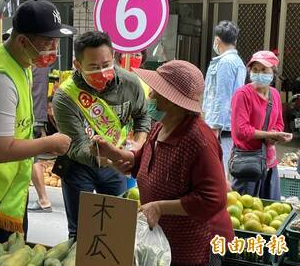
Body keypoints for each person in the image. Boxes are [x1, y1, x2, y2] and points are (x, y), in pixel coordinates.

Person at [0, 0, 75, 257]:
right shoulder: (0, 80)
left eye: (56, 39)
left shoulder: (20, 62)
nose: (54, 47)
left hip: (7, 190)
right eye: (47, 41)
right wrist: (50, 144)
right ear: (22, 41)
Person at [93, 60, 234, 265]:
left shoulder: (198, 139)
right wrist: (112, 154)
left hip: (195, 247)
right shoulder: (161, 127)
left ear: (172, 100)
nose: (149, 96)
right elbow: (140, 161)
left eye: (155, 92)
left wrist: (160, 207)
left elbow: (213, 199)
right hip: (166, 242)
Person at [52, 31, 151, 239]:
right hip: (78, 167)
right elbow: (77, 147)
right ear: (77, 65)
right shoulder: (65, 97)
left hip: (116, 165)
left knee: (117, 228)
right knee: (81, 232)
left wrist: (135, 149)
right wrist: (113, 159)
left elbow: (143, 117)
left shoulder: (130, 84)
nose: (103, 71)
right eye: (94, 67)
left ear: (113, 56)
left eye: (107, 64)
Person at [231, 51, 293, 200]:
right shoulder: (242, 94)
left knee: (271, 207)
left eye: (264, 70)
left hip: (269, 161)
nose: (259, 74)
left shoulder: (275, 94)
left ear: (273, 72)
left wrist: (276, 137)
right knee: (244, 211)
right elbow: (241, 131)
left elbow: (279, 123)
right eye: (255, 70)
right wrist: (270, 135)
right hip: (247, 162)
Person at [202, 21, 247, 174]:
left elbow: (222, 97)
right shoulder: (237, 62)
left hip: (220, 130)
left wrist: (214, 129)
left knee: (216, 171)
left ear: (217, 40)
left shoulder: (226, 63)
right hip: (225, 127)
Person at [28, 66, 54, 212]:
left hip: (32, 116)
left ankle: (43, 199)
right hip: (37, 116)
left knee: (32, 158)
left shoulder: (32, 64)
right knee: (31, 158)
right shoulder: (41, 65)